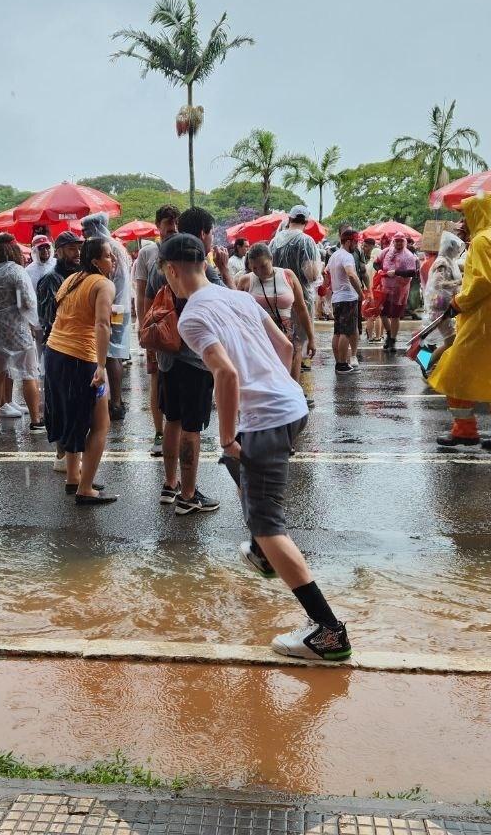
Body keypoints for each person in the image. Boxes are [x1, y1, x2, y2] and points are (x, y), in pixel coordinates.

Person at [163, 233, 351, 662]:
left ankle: (328, 632)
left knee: (268, 525)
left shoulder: (192, 316)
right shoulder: (240, 297)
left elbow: (226, 374)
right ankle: (263, 554)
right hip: (292, 407)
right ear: (204, 262)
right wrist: (273, 390)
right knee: (238, 467)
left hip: (266, 420)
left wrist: (228, 435)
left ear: (172, 271)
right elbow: (284, 346)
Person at [427, 191, 491, 453]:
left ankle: (465, 431)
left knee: (453, 371)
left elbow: (484, 281)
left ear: (476, 214)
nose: (462, 222)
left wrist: (459, 302)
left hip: (486, 319)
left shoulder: (482, 241)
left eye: (465, 216)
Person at [144, 207, 226, 516]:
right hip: (195, 357)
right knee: (192, 427)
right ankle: (189, 496)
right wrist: (225, 270)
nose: (212, 238)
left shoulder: (161, 261)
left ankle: (170, 485)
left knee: (172, 420)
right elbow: (227, 303)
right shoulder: (203, 267)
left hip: (167, 355)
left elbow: (148, 303)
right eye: (211, 233)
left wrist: (151, 349)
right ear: (203, 233)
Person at [43, 237, 117, 504]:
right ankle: (85, 489)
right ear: (95, 261)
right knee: (100, 424)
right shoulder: (103, 284)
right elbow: (102, 324)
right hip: (80, 358)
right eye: (108, 256)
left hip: (55, 353)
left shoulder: (72, 279)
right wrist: (101, 366)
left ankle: (74, 477)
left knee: (72, 418)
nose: (113, 260)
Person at [0, 233, 45, 432]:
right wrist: (35, 323)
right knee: (29, 374)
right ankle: (35, 421)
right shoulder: (15, 272)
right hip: (15, 329)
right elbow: (27, 302)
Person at [133, 204, 180, 457]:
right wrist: (144, 328)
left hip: (181, 329)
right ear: (158, 225)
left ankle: (178, 432)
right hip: (157, 327)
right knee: (156, 379)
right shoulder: (148, 253)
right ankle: (159, 433)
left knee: (178, 380)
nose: (173, 227)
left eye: (175, 222)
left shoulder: (185, 247)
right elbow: (142, 293)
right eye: (168, 223)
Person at [37, 231, 84, 473]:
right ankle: (61, 454)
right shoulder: (51, 279)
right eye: (71, 248)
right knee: (59, 401)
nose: (77, 253)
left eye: (79, 248)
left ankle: (74, 454)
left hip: (82, 347)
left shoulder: (82, 276)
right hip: (59, 347)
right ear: (59, 251)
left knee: (78, 401)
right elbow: (48, 318)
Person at [238, 242, 315, 382]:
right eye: (254, 268)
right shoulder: (245, 281)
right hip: (259, 341)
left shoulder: (287, 275)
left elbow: (301, 308)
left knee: (291, 383)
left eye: (263, 266)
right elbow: (238, 315)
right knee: (266, 383)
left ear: (271, 259)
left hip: (288, 338)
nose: (259, 271)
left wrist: (311, 338)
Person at [81, 212, 133, 421]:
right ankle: (115, 401)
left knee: (111, 355)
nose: (84, 234)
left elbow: (109, 279)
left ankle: (116, 403)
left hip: (112, 306)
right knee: (114, 354)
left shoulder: (105, 248)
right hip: (121, 306)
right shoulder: (116, 245)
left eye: (86, 230)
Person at [270, 206, 323, 404]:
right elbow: (312, 274)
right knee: (296, 344)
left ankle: (280, 388)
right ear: (306, 222)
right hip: (300, 298)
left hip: (276, 298)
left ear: (290, 219)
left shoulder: (274, 242)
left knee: (280, 343)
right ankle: (293, 393)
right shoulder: (306, 241)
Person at [420, 231, 465, 366]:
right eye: (455, 248)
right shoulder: (442, 263)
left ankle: (427, 363)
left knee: (449, 340)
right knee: (450, 341)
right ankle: (426, 364)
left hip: (446, 306)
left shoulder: (449, 261)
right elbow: (438, 284)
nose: (457, 251)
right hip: (440, 308)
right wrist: (459, 283)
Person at [327, 229, 363, 375]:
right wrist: (360, 293)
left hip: (337, 298)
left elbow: (325, 272)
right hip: (348, 298)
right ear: (348, 242)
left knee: (337, 332)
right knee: (346, 332)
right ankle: (342, 364)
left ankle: (339, 363)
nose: (356, 245)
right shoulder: (347, 256)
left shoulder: (334, 255)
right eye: (355, 242)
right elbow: (351, 275)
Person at [376, 234, 418, 352]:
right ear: (393, 241)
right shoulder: (386, 252)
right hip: (385, 288)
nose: (399, 243)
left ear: (404, 242)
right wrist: (379, 270)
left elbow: (412, 272)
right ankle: (389, 334)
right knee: (382, 313)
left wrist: (396, 272)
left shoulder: (408, 255)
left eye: (401, 241)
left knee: (395, 316)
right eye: (397, 241)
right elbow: (376, 262)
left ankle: (393, 340)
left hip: (400, 291)